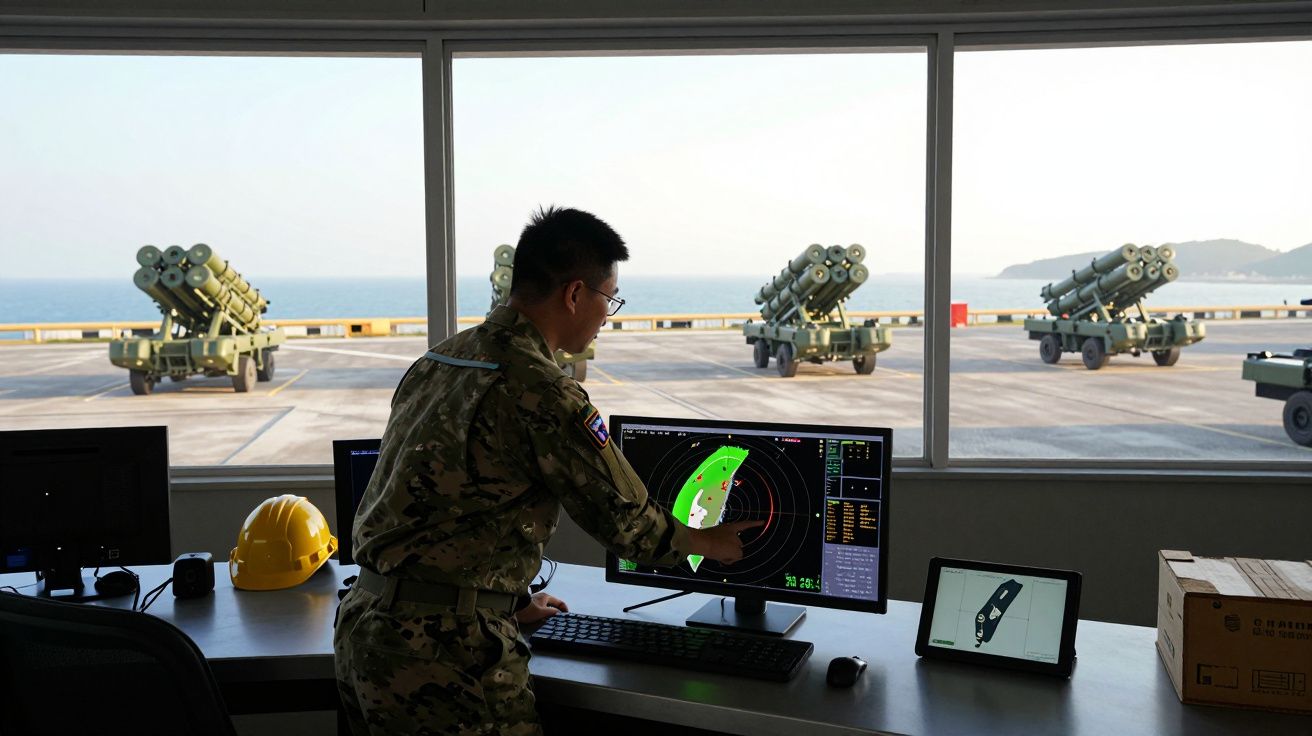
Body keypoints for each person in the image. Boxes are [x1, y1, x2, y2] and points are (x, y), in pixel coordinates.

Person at [333, 206, 762, 735]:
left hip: (366, 628)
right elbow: (627, 523)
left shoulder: (440, 360)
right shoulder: (542, 390)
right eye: (609, 299)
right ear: (575, 294)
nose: (608, 314)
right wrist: (710, 543)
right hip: (446, 653)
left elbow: (444, 507)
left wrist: (507, 601)